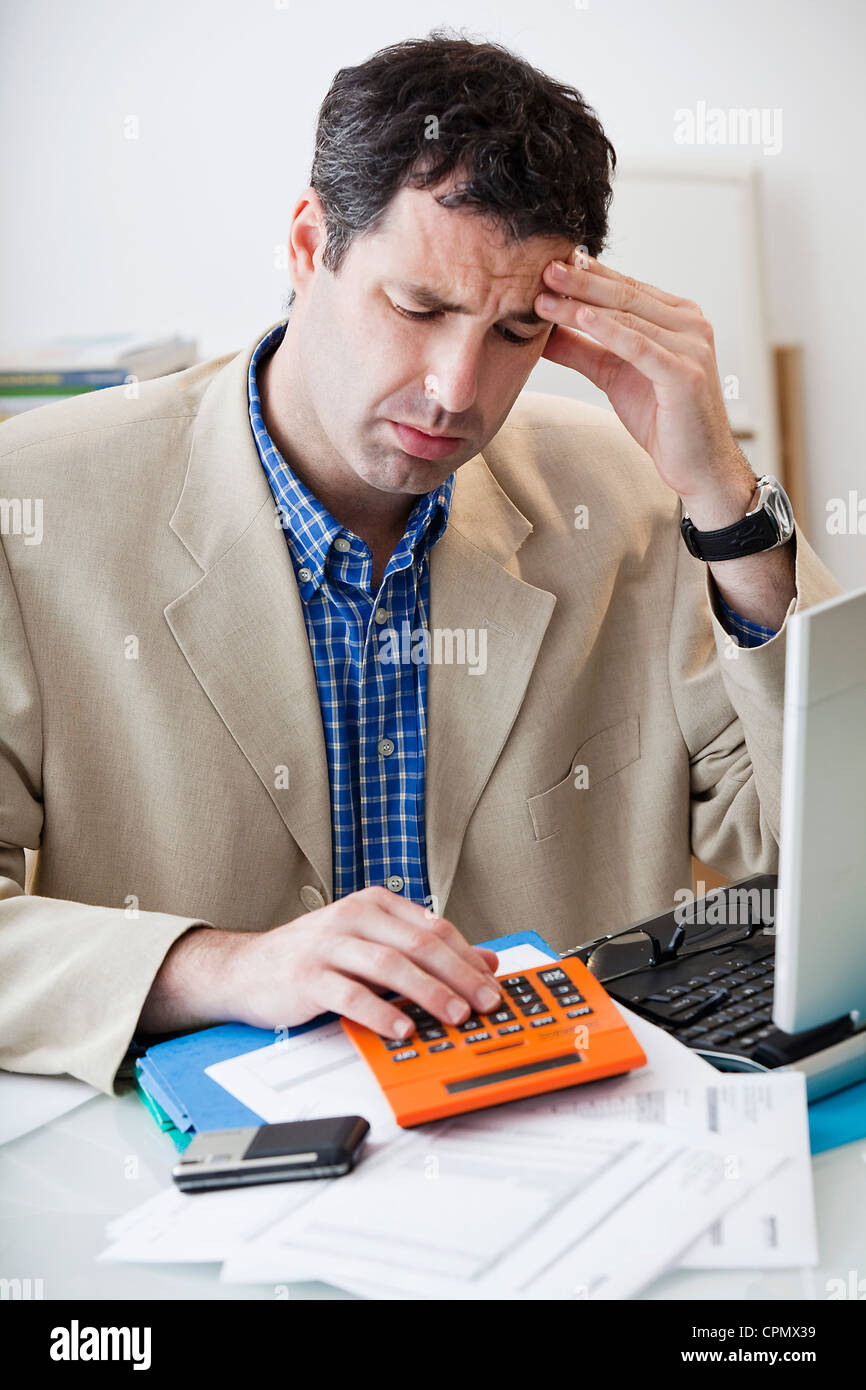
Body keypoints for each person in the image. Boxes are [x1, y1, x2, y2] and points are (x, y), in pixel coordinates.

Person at [0, 31, 839, 1094]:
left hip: (563, 1163)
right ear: (309, 246)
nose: (455, 388)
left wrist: (722, 495)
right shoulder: (33, 512)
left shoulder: (630, 505)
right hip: (197, 1189)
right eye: (419, 308)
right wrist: (221, 965)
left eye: (516, 331)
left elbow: (811, 855)